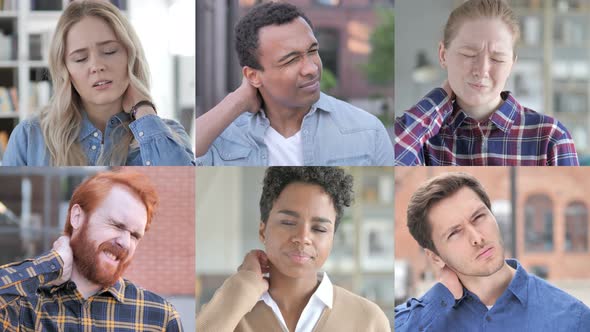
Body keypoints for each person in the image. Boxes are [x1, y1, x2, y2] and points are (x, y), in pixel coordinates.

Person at [195, 2, 394, 166]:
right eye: (291, 60)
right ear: (253, 76)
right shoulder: (220, 137)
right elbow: (184, 153)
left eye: (313, 51)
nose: (311, 69)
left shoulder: (368, 131)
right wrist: (238, 100)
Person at [196, 167, 390, 331]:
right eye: (288, 222)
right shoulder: (229, 311)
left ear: (332, 239)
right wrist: (242, 287)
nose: (303, 238)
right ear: (263, 231)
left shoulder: (369, 321)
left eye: (319, 229)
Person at [3, 1, 194, 166]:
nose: (96, 66)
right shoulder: (29, 137)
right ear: (65, 70)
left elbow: (187, 195)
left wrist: (144, 109)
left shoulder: (170, 134)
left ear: (131, 56)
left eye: (110, 51)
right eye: (80, 59)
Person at [395, 172, 590, 331]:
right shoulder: (420, 320)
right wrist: (440, 297)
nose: (477, 238)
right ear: (436, 257)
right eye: (455, 232)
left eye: (479, 217)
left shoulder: (572, 319)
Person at [394, 0, 578, 166]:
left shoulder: (551, 137)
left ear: (511, 65)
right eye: (469, 54)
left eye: (497, 59)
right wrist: (439, 98)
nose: (482, 70)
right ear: (443, 55)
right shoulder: (422, 137)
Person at [0, 171, 184, 331]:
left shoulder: (159, 318)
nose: (125, 243)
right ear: (77, 217)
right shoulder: (22, 306)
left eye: (135, 235)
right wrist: (52, 264)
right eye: (116, 225)